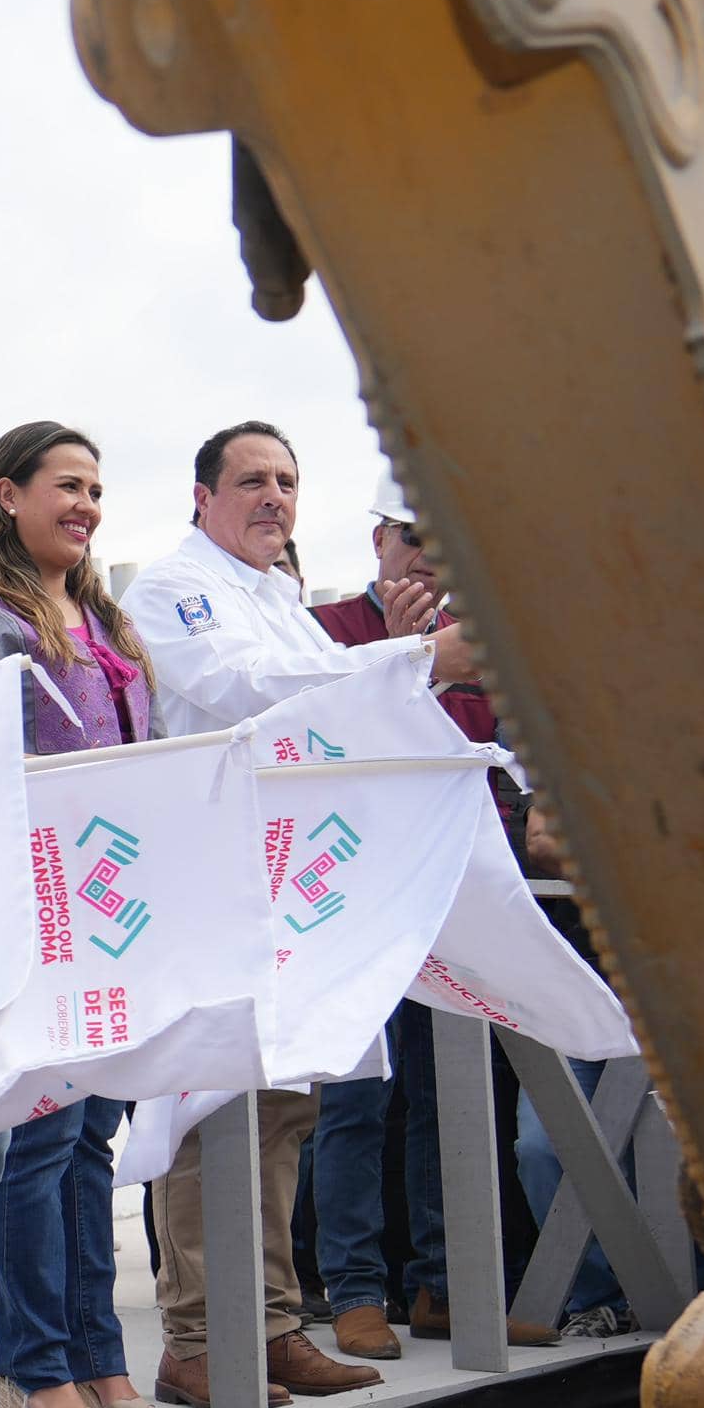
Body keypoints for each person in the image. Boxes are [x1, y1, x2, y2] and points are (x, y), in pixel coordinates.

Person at [120, 422, 383, 1408]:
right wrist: (406, 654)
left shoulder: (279, 596)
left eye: (286, 479)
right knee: (204, 1111)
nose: (272, 496)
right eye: (250, 480)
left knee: (278, 1110)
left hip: (282, 887)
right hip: (200, 882)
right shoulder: (169, 587)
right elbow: (241, 688)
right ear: (200, 496)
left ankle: (269, 1324)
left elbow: (338, 711)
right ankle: (193, 1337)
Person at [0, 422, 165, 1408]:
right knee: (33, 1144)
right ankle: (28, 1367)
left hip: (110, 918)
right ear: (7, 494)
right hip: (34, 914)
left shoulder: (110, 624)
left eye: (94, 487)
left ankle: (95, 1349)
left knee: (88, 1142)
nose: (83, 504)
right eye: (63, 485)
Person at [305, 489, 508, 1355]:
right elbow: (316, 735)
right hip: (350, 901)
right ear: (379, 538)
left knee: (452, 1098)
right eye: (414, 537)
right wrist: (401, 652)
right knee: (352, 1101)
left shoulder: (487, 644)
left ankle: (445, 1284)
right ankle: (354, 1287)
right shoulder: (322, 627)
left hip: (447, 904)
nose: (428, 558)